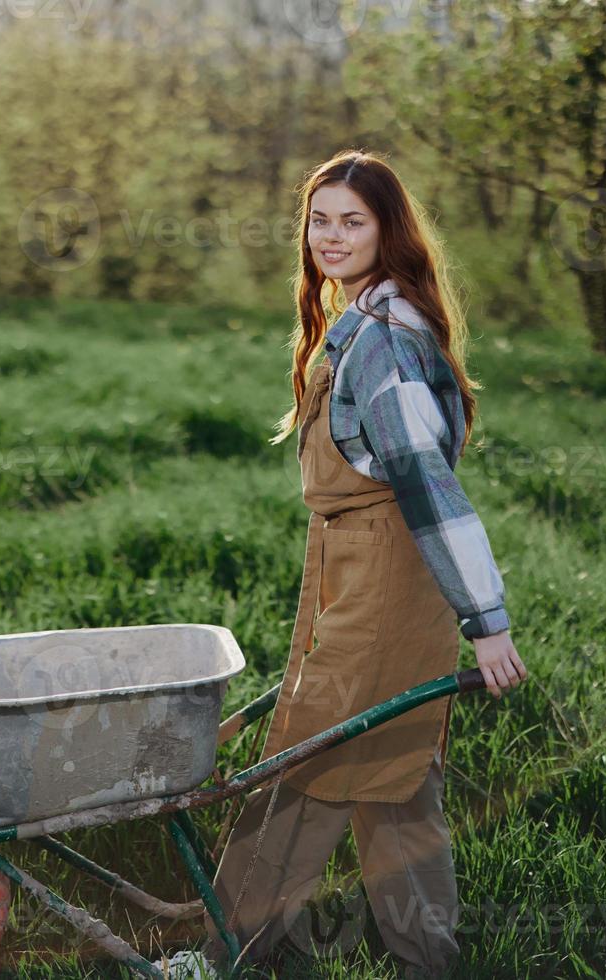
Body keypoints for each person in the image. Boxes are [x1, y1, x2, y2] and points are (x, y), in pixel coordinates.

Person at [161, 149, 527, 980]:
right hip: (369, 569)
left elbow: (428, 488)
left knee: (306, 761)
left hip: (389, 576)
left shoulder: (385, 344)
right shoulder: (361, 322)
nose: (331, 236)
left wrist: (488, 622)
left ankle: (220, 957)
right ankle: (429, 959)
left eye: (351, 221)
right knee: (392, 772)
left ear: (386, 229)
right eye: (319, 220)